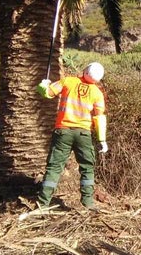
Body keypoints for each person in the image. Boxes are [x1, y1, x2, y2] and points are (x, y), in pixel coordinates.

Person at [35, 62, 108, 210]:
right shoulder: (97, 93)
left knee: (54, 167)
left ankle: (43, 203)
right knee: (87, 167)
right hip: (83, 134)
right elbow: (99, 117)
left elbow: (47, 93)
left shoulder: (67, 81)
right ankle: (88, 202)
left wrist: (43, 85)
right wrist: (102, 140)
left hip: (63, 132)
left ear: (86, 70)